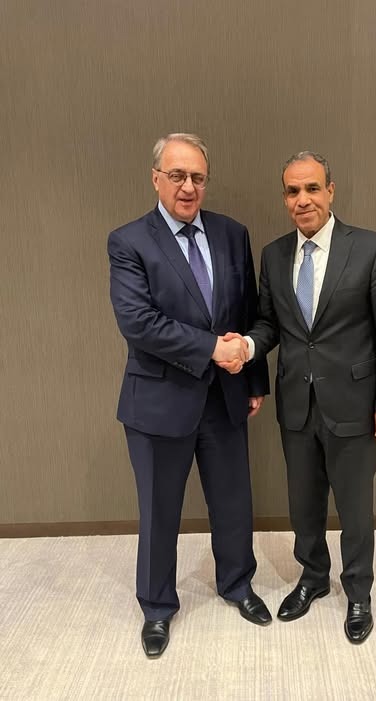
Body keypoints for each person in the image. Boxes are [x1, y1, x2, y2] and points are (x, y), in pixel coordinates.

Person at [222, 151, 376, 644]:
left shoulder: (370, 248)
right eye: (292, 191)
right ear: (285, 197)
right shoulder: (274, 255)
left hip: (355, 405)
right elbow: (269, 324)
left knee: (354, 507)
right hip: (297, 406)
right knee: (304, 504)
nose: (302, 200)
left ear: (330, 190)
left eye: (311, 188)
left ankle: (359, 592)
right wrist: (248, 347)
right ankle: (313, 577)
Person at [108, 133, 271, 659]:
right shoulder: (129, 241)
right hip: (159, 402)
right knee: (160, 510)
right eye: (177, 175)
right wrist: (212, 349)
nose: (188, 187)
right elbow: (138, 322)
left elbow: (247, 312)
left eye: (197, 177)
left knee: (233, 501)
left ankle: (237, 584)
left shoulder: (231, 233)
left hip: (225, 396)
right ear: (156, 178)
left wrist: (253, 379)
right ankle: (157, 606)